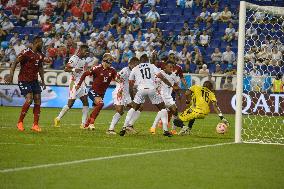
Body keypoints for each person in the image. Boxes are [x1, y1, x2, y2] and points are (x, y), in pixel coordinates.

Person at [119, 54, 178, 137]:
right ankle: (165, 130)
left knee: (133, 108)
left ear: (140, 61)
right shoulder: (152, 65)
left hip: (141, 90)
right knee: (163, 109)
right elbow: (161, 76)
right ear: (147, 60)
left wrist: (132, 98)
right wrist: (169, 84)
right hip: (151, 89)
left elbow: (131, 85)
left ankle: (124, 127)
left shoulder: (135, 68)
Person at [5, 36, 46, 132]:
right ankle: (20, 122)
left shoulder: (41, 55)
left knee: (38, 100)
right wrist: (11, 75)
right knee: (29, 99)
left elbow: (40, 68)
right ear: (36, 42)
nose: (42, 44)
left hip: (34, 80)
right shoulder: (26, 52)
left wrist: (43, 80)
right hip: (24, 80)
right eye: (41, 42)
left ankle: (35, 125)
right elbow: (15, 62)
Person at [75, 53, 117, 130]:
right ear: (104, 61)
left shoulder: (112, 70)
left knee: (96, 110)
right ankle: (91, 123)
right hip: (93, 91)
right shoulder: (96, 68)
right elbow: (85, 74)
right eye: (109, 62)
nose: (110, 64)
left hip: (102, 93)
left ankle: (86, 125)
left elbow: (117, 79)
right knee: (101, 104)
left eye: (111, 62)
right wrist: (79, 84)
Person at [54, 45, 90, 128]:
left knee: (85, 102)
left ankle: (83, 124)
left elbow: (83, 72)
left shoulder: (84, 60)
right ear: (80, 50)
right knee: (70, 104)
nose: (87, 53)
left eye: (87, 51)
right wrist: (74, 69)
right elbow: (66, 69)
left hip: (82, 83)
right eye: (85, 51)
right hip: (74, 83)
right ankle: (58, 118)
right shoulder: (74, 58)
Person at [107, 57, 140, 134]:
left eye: (137, 65)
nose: (137, 66)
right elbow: (116, 77)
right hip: (120, 92)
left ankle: (129, 125)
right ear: (131, 64)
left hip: (127, 94)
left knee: (138, 107)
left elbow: (132, 85)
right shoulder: (125, 70)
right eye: (135, 65)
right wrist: (120, 84)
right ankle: (110, 129)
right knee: (120, 111)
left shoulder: (135, 73)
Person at [150, 61, 180, 135]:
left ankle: (173, 130)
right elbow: (155, 81)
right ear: (165, 67)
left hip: (169, 96)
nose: (171, 68)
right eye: (169, 67)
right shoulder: (161, 73)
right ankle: (156, 128)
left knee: (175, 111)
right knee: (164, 111)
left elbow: (176, 85)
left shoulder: (174, 76)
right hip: (161, 95)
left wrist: (178, 93)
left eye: (172, 67)